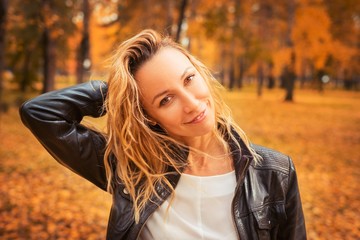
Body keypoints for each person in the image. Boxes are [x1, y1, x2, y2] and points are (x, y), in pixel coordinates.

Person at [20, 29, 306, 239]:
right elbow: (42, 114)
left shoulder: (274, 173)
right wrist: (123, 92)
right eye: (165, 100)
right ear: (148, 116)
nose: (193, 104)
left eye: (189, 79)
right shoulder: (135, 170)